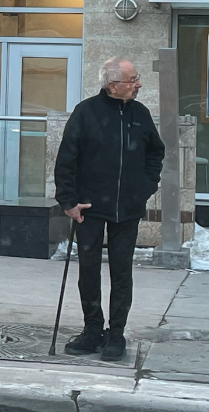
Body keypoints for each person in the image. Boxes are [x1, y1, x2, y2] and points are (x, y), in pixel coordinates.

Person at [54, 57, 165, 361]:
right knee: (88, 271)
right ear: (113, 85)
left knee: (121, 272)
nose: (138, 84)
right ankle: (92, 330)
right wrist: (68, 201)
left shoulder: (140, 114)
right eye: (133, 80)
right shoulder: (86, 113)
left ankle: (116, 334)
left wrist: (145, 188)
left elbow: (156, 151)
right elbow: (66, 160)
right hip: (89, 207)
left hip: (127, 208)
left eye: (137, 78)